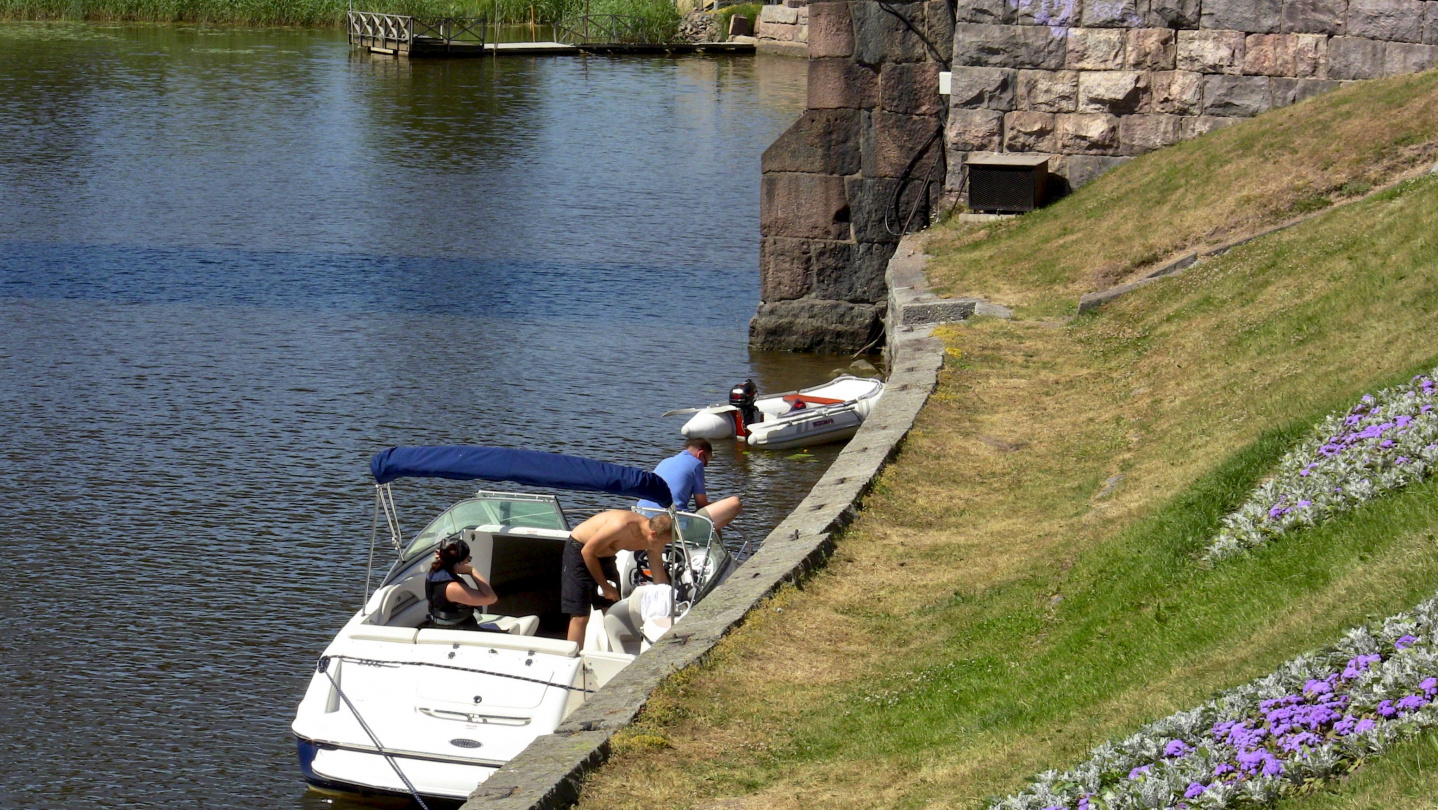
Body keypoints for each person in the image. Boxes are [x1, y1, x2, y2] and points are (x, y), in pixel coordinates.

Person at [562, 510, 673, 643]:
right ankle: (573, 660)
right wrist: (605, 586)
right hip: (581, 551)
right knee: (580, 616)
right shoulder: (621, 526)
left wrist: (666, 596)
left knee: (613, 610)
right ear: (653, 534)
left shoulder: (652, 540)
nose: (664, 546)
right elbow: (587, 552)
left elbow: (657, 569)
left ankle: (615, 654)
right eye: (664, 543)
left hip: (606, 557)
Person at [636, 438, 743, 533]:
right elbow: (701, 504)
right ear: (700, 454)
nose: (704, 466)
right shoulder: (696, 464)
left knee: (713, 524)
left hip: (643, 517)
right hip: (672, 524)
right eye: (706, 463)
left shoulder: (665, 461)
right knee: (735, 502)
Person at [422, 535, 499, 631]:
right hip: (458, 631)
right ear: (460, 563)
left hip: (444, 627)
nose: (468, 563)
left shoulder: (435, 572)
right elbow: (491, 598)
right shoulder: (452, 588)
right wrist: (472, 570)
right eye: (468, 559)